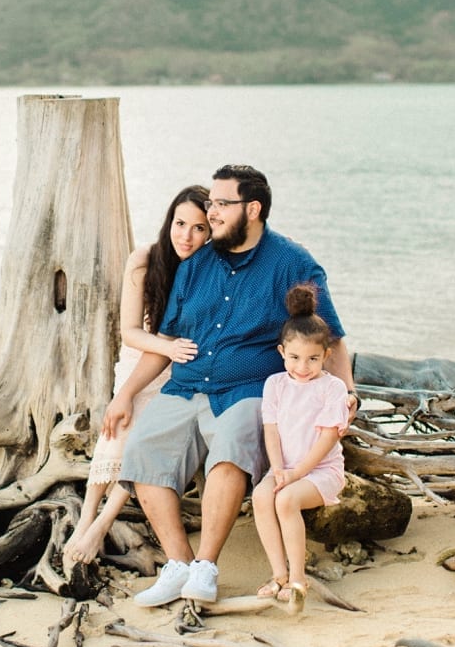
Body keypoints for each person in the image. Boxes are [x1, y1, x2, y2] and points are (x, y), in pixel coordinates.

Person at [103, 164, 356, 607]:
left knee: (232, 448)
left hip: (247, 390)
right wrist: (125, 394)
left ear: (252, 209)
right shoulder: (197, 263)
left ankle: (206, 567)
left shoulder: (292, 263)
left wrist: (347, 394)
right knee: (143, 449)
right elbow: (165, 342)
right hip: (184, 386)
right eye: (211, 203)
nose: (211, 211)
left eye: (221, 204)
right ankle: (178, 564)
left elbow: (329, 335)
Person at [64, 184, 212, 568]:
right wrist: (162, 352)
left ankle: (101, 525)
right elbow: (129, 330)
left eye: (199, 228)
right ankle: (86, 518)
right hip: (140, 358)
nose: (187, 235)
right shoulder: (145, 259)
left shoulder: (208, 271)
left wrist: (171, 354)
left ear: (211, 232)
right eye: (181, 223)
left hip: (177, 370)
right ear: (169, 222)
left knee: (141, 443)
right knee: (117, 431)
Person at [251, 282, 348, 612]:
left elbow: (327, 439)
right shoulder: (275, 384)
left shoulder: (331, 388)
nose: (302, 367)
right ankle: (277, 574)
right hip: (284, 466)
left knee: (286, 500)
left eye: (312, 359)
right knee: (262, 496)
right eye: (294, 358)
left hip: (318, 471)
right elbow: (272, 432)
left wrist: (295, 475)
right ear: (281, 352)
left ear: (326, 356)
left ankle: (297, 578)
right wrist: (278, 468)